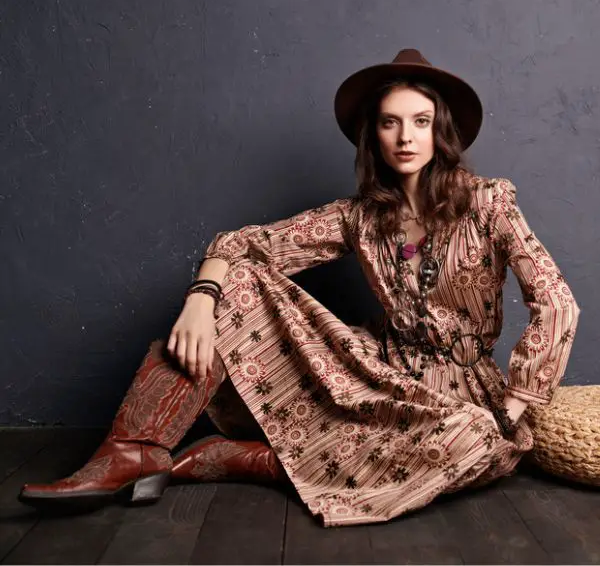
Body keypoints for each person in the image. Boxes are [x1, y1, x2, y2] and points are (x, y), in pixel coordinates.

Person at [19, 49, 581, 527]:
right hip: (377, 372)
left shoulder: (488, 203)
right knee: (232, 281)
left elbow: (555, 301)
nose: (405, 137)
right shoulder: (357, 218)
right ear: (373, 134)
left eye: (420, 120)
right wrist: (201, 299)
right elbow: (240, 245)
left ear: (442, 129)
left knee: (475, 442)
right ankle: (133, 449)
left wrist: (517, 400)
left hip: (463, 399)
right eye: (390, 122)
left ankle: (247, 459)